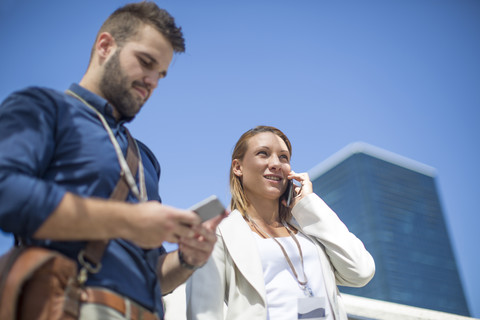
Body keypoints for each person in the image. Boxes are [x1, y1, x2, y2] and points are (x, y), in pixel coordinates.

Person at [0, 2, 224, 319]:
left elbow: (153, 276)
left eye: (161, 74)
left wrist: (187, 259)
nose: (153, 82)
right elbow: (6, 191)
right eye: (145, 63)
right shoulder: (43, 107)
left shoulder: (145, 158)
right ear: (105, 46)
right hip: (71, 305)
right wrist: (129, 221)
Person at [186, 126, 375, 320]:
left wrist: (309, 206)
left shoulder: (308, 228)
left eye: (283, 157)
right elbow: (204, 312)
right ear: (238, 167)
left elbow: (361, 271)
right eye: (263, 154)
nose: (276, 163)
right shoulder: (220, 233)